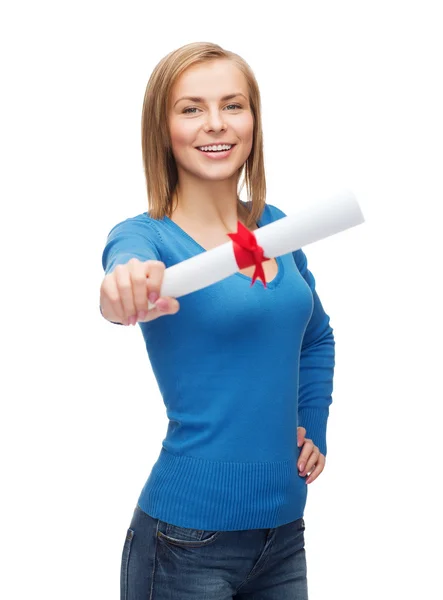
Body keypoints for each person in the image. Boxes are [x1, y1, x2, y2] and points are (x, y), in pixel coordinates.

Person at [100, 41, 335, 600]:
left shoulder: (276, 228)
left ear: (253, 120)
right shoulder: (148, 237)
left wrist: (312, 421)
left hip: (282, 532)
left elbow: (316, 337)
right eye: (190, 108)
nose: (216, 124)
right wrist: (124, 288)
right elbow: (122, 276)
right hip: (185, 543)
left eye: (233, 104)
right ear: (163, 127)